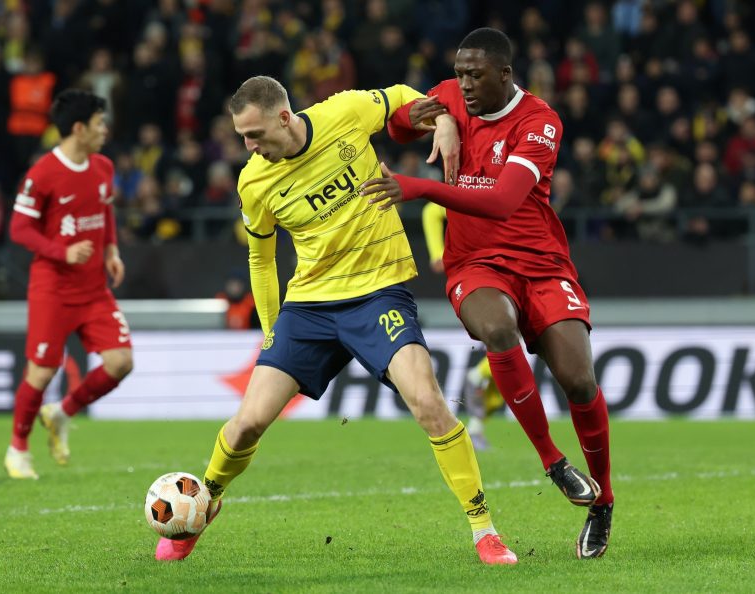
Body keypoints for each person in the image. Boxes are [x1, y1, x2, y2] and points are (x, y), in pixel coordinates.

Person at [155, 75, 517, 566]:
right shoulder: (253, 181)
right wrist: (268, 331)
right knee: (247, 424)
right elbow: (261, 261)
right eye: (243, 136)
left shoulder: (343, 113)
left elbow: (408, 97)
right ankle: (203, 505)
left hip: (378, 294)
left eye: (255, 134)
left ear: (284, 118)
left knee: (430, 404)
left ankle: (484, 531)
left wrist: (446, 121)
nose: (249, 146)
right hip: (309, 307)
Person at [360, 27, 615, 559]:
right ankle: (552, 461)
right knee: (497, 329)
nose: (465, 83)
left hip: (543, 265)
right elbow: (398, 123)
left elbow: (502, 201)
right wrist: (442, 116)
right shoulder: (454, 96)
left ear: (506, 74)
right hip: (474, 264)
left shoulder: (541, 122)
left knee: (580, 382)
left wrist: (416, 187)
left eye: (476, 75)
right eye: (459, 74)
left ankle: (603, 501)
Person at [5, 89, 133, 480]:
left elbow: (104, 211)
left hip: (94, 288)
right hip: (53, 289)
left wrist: (111, 250)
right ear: (78, 128)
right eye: (98, 123)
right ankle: (18, 449)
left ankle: (61, 413)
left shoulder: (103, 168)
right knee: (41, 373)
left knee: (120, 362)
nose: (104, 130)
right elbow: (19, 229)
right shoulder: (42, 173)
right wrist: (61, 252)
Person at [422, 201, 503, 450]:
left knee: (509, 366)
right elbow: (432, 210)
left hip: (505, 266)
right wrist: (437, 253)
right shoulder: (474, 186)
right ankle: (481, 373)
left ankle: (480, 380)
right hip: (481, 273)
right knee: (508, 348)